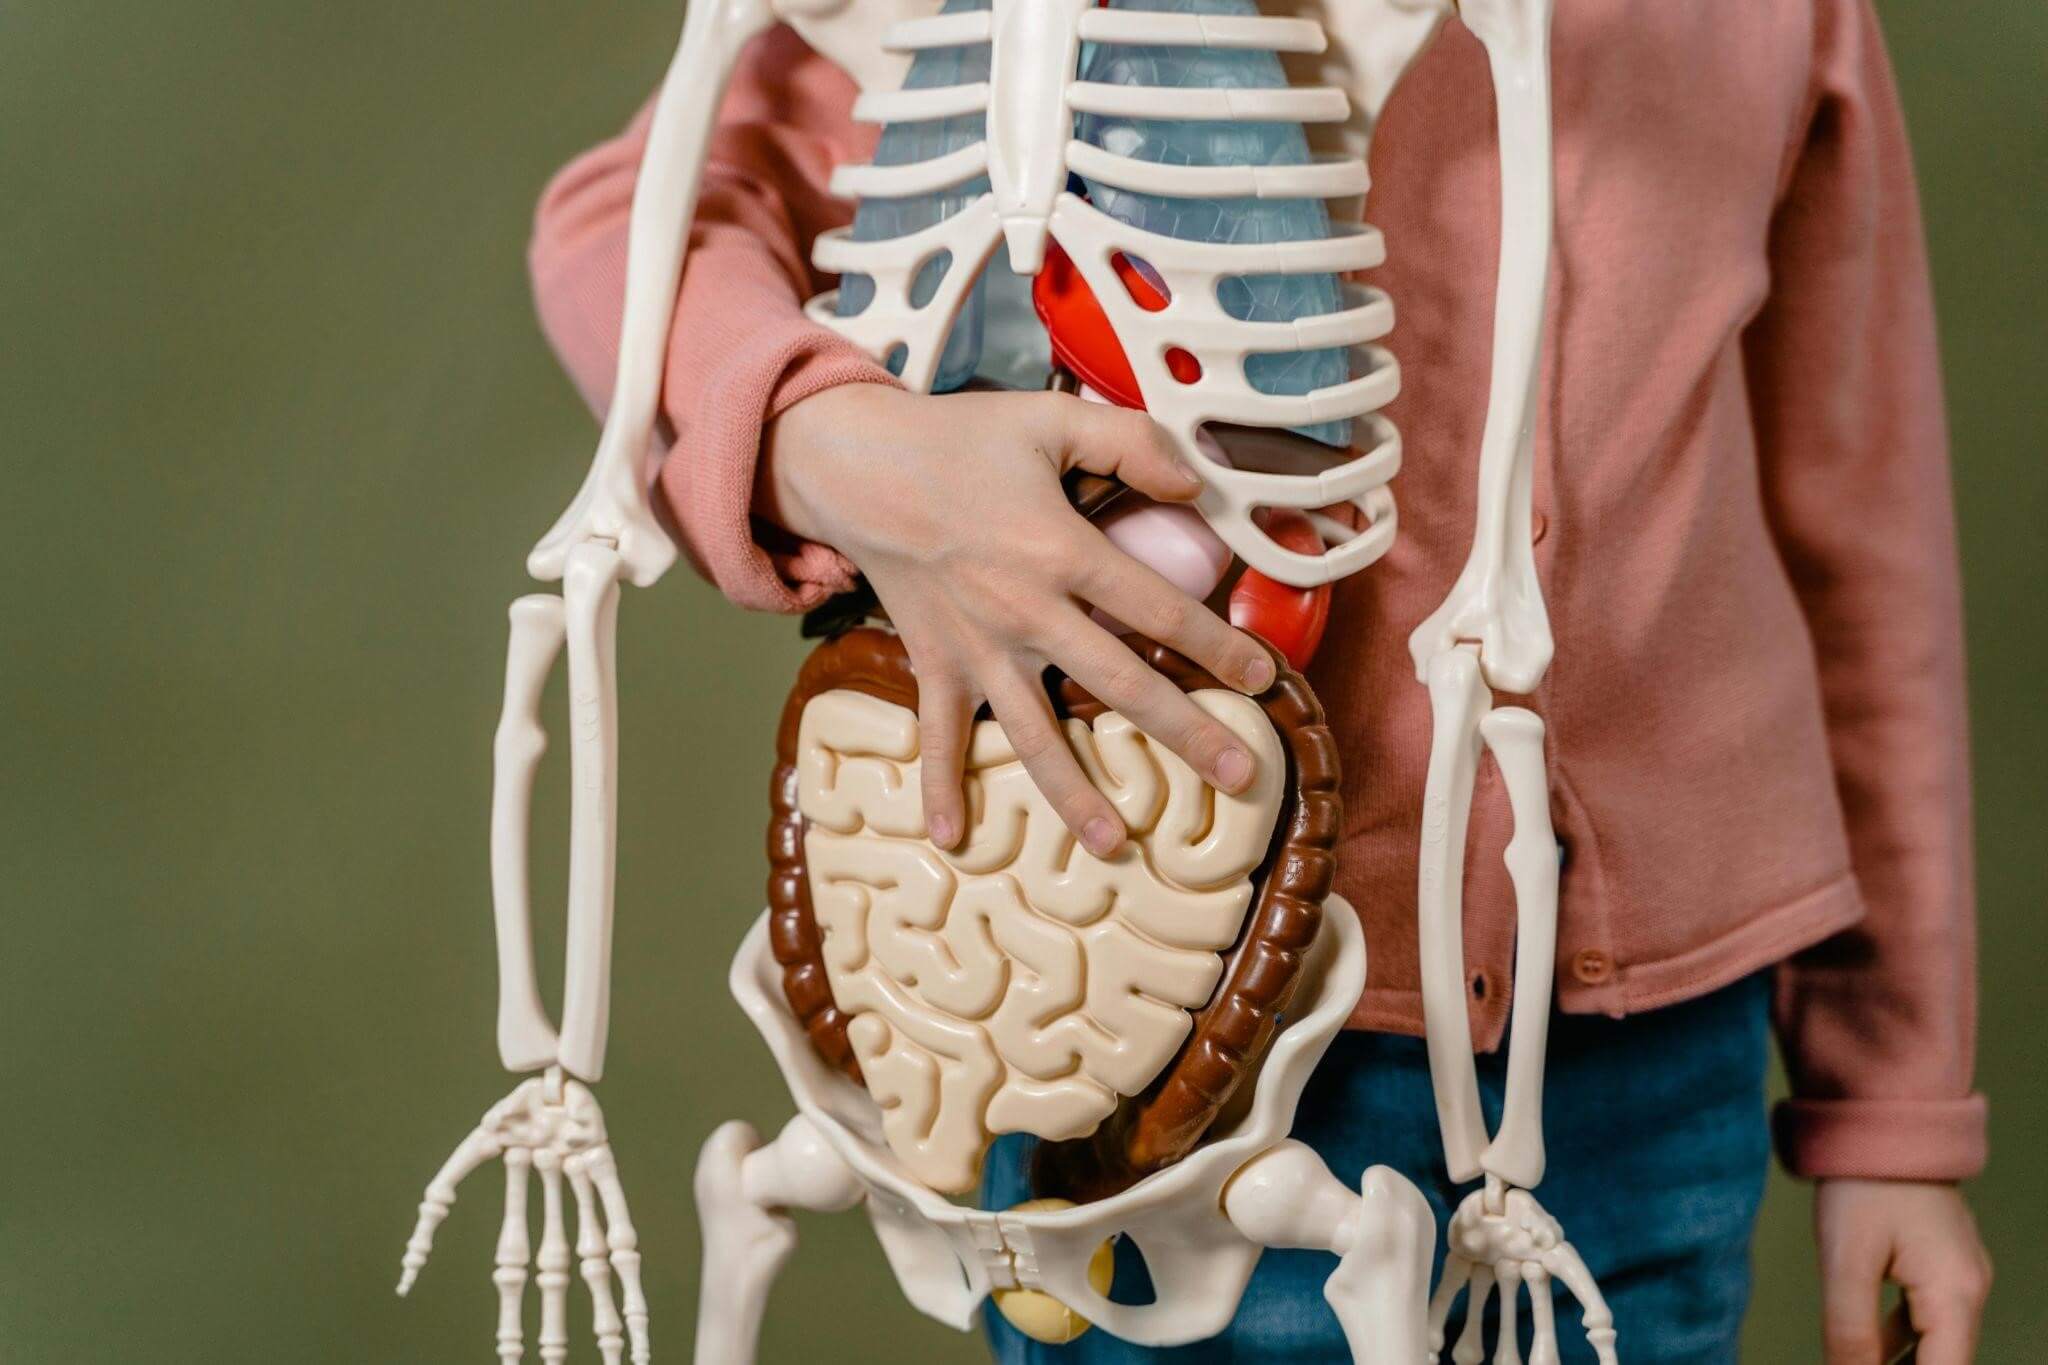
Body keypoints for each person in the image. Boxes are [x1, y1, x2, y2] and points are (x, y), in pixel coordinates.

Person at [525, 1, 1991, 1359]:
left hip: (1664, 1059)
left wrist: (1895, 1102)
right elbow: (623, 220)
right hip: (1170, 1072)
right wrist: (817, 436)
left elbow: (1860, 535)